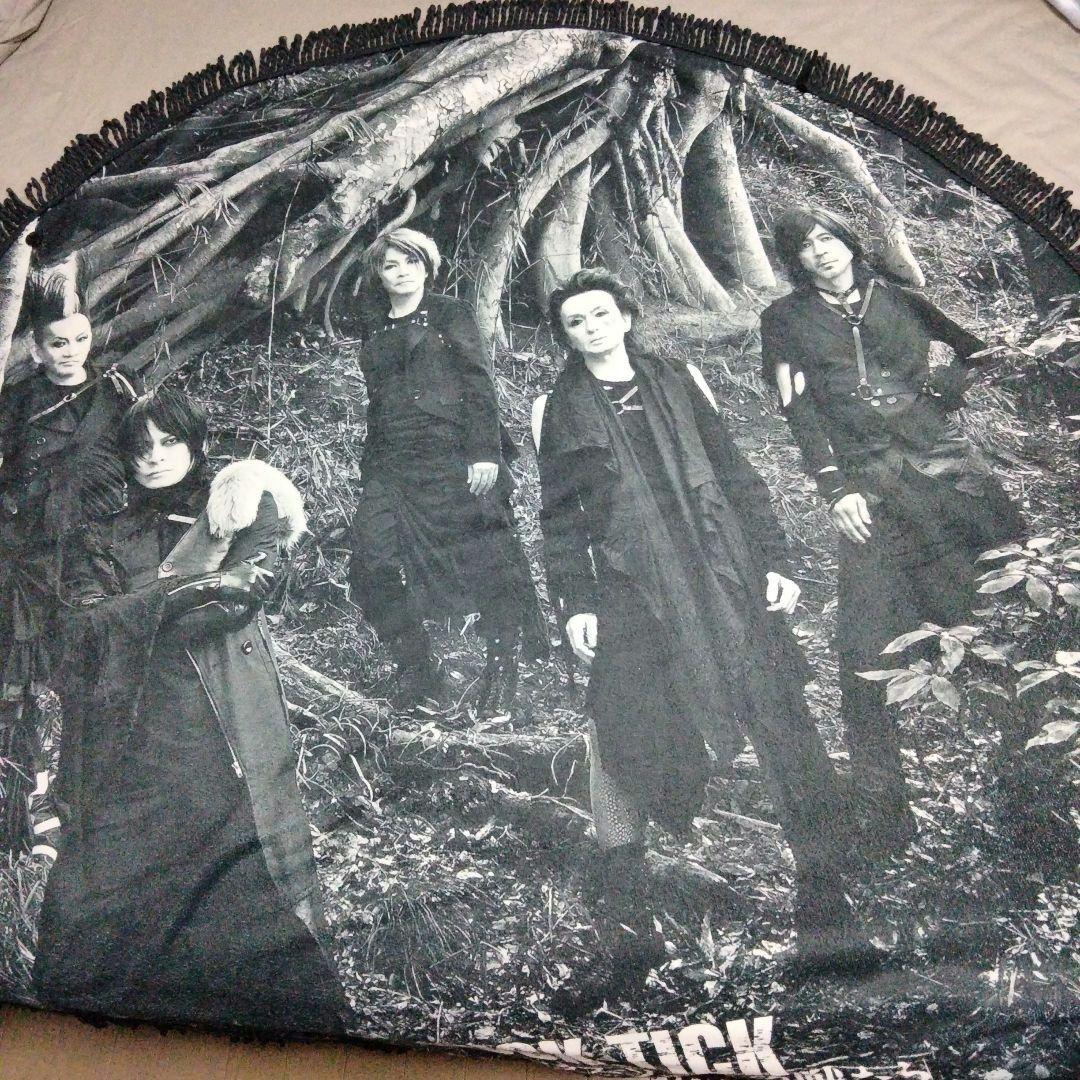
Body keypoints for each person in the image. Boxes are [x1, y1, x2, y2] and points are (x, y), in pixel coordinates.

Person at [534, 268, 869, 1011]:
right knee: (617, 730)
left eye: (600, 313)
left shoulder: (678, 378)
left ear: (626, 315)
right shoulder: (555, 410)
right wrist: (577, 603)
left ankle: (827, 911)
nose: (590, 328)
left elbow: (737, 473)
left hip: (724, 574)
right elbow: (561, 520)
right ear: (565, 337)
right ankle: (631, 934)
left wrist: (776, 560)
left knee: (781, 722)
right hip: (635, 594)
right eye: (574, 322)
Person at [32, 389, 347, 1035]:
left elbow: (236, 606)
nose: (154, 457)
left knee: (231, 870)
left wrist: (142, 611)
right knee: (103, 876)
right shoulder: (101, 532)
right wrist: (197, 587)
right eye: (140, 446)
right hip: (129, 726)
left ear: (196, 444)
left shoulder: (240, 506)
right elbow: (81, 630)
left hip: (218, 717)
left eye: (169, 441)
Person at [759, 206, 1029, 858]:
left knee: (1010, 623)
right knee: (863, 652)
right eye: (806, 246)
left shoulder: (900, 299)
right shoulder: (785, 321)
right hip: (871, 496)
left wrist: (943, 391)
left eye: (829, 239)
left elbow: (976, 350)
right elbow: (799, 413)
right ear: (794, 261)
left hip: (952, 485)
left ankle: (1031, 796)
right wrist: (835, 489)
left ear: (849, 243)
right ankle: (884, 818)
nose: (822, 253)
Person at [348, 227, 544, 716]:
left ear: (427, 267)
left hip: (455, 455)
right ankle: (417, 666)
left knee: (489, 557)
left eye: (411, 262)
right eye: (390, 265)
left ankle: (502, 664)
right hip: (393, 463)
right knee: (372, 560)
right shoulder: (373, 322)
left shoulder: (450, 313)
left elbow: (479, 383)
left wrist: (484, 452)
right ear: (378, 274)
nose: (401, 272)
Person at [0, 271, 139, 855]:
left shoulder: (117, 394)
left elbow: (147, 462)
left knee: (90, 671)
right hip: (28, 559)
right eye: (58, 343)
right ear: (35, 348)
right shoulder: (16, 401)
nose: (71, 352)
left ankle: (83, 800)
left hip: (94, 554)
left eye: (80, 339)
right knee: (22, 682)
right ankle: (26, 802)